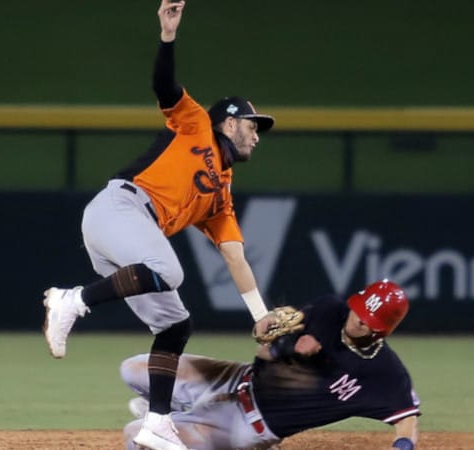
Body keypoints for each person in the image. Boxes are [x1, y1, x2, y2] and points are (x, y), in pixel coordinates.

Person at [42, 2, 277, 449]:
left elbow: (235, 256)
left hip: (130, 241)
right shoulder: (196, 127)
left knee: (175, 325)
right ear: (229, 122)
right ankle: (70, 300)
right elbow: (164, 86)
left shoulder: (221, 195)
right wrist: (167, 38)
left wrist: (261, 317)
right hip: (119, 209)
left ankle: (157, 423)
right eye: (252, 124)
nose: (256, 134)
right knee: (170, 271)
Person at [120, 280, 421, 450]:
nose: (356, 320)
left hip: (246, 424)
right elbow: (266, 351)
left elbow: (407, 419)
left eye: (366, 321)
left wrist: (403, 446)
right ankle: (177, 411)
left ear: (381, 329)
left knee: (137, 437)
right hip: (237, 378)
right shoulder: (330, 309)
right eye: (358, 310)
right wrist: (277, 334)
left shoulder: (384, 373)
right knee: (133, 369)